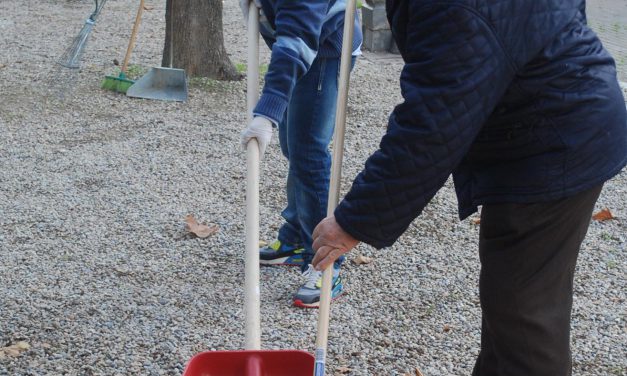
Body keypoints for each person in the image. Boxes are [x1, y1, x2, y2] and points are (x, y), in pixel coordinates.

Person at [310, 0, 627, 374]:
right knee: (511, 302)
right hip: (556, 122)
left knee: (525, 315)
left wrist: (353, 222)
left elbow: (432, 125)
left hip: (554, 141)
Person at [239, 0, 362, 308]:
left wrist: (267, 112)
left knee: (308, 151)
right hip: (300, 43)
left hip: (323, 49)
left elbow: (298, 36)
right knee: (292, 145)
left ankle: (326, 263)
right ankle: (295, 236)